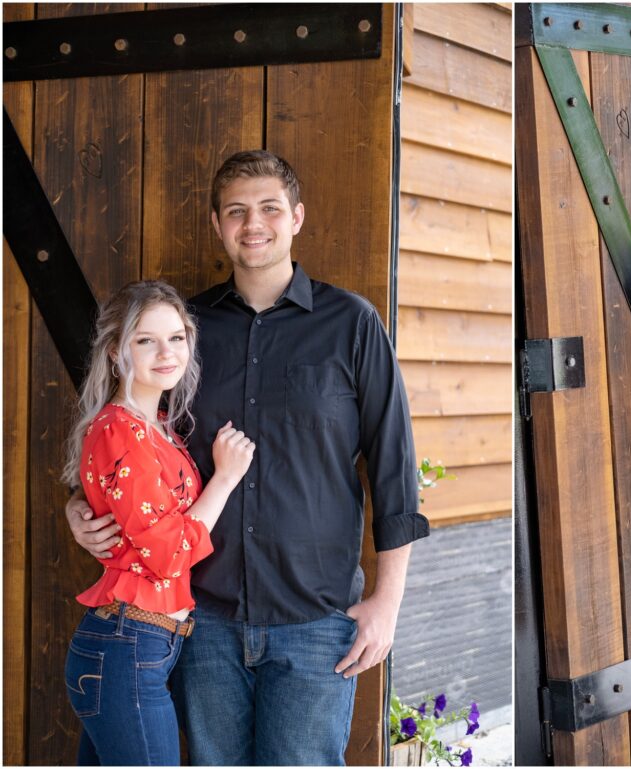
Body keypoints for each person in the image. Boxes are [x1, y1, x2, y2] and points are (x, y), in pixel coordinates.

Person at [66, 150, 430, 765]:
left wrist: (387, 605)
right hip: (202, 618)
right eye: (236, 211)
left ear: (297, 217)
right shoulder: (184, 333)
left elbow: (395, 470)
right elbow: (130, 437)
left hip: (315, 619)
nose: (252, 223)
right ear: (217, 224)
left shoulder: (352, 325)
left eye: (268, 208)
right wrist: (82, 505)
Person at [62, 281, 254, 765]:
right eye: (145, 340)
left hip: (140, 647)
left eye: (176, 337)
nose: (166, 352)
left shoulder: (159, 426)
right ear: (114, 351)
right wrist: (225, 480)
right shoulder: (119, 430)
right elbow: (167, 554)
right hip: (125, 647)